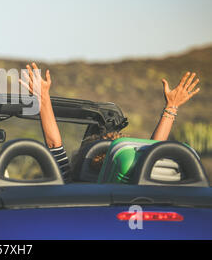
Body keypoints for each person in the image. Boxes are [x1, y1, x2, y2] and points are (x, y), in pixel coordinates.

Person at [20, 62, 201, 182]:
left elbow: (54, 145)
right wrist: (171, 107)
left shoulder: (72, 185)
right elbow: (152, 151)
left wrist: (43, 99)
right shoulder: (136, 187)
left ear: (84, 158)